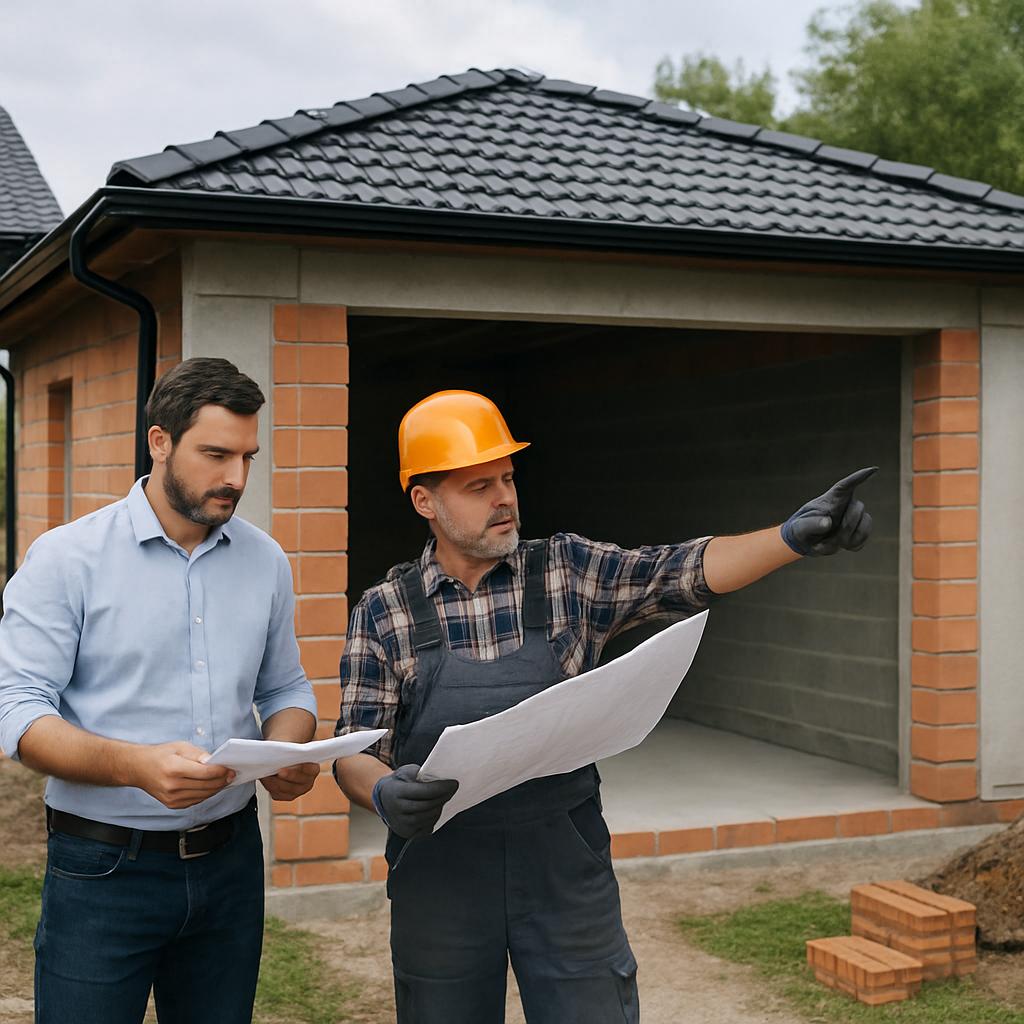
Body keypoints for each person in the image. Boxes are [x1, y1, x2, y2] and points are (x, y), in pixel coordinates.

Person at [333, 389, 875, 1023]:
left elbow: (682, 571)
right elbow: (354, 751)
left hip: (564, 868)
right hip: (440, 875)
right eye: (478, 485)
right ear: (424, 500)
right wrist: (382, 794)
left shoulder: (566, 570)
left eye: (507, 477)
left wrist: (791, 538)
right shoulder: (384, 610)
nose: (504, 497)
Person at [0, 357, 320, 1024]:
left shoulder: (267, 560)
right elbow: (18, 712)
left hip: (231, 864)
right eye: (215, 454)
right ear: (160, 442)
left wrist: (284, 749)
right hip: (101, 869)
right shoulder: (65, 559)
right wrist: (134, 766)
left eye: (247, 457)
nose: (235, 477)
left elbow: (286, 686)